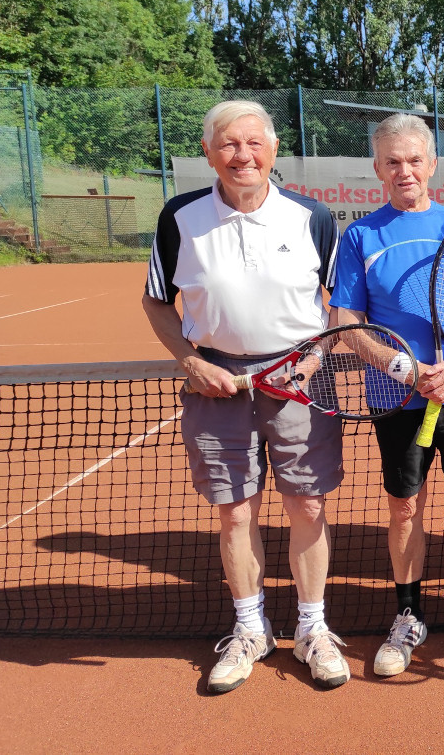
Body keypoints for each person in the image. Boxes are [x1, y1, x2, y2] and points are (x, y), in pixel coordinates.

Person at [142, 100, 349, 693]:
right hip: (215, 381)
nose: (243, 156)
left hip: (299, 381)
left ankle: (313, 629)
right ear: (209, 152)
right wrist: (191, 361)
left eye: (254, 143)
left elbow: (338, 302)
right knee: (235, 510)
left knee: (307, 506)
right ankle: (250, 629)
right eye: (229, 144)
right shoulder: (179, 218)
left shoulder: (312, 217)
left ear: (274, 150)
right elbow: (157, 301)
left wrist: (314, 359)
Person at [329, 112, 444, 677]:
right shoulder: (361, 235)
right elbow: (346, 318)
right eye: (393, 161)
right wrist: (399, 366)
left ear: (433, 164)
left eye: (415, 160)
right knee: (405, 506)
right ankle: (408, 616)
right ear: (377, 168)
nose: (404, 170)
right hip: (398, 397)